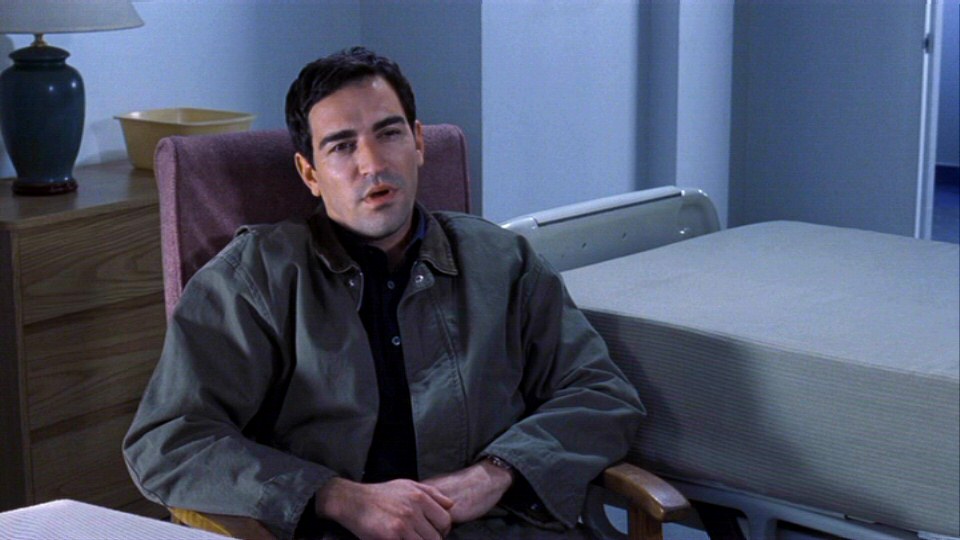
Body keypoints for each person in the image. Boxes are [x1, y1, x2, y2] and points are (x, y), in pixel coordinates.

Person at [123, 47, 644, 540]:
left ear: (418, 143)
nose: (372, 163)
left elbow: (602, 393)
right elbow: (167, 443)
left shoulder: (503, 261)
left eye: (389, 133)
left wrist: (494, 473)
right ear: (310, 172)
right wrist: (335, 496)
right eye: (342, 146)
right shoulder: (253, 279)